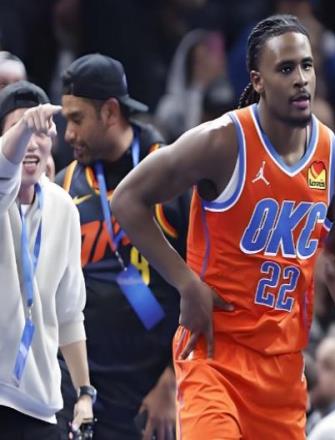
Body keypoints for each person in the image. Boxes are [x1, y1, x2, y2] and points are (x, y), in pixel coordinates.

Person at [112, 14, 335, 439]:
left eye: (307, 66)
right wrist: (186, 283)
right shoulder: (222, 142)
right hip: (215, 354)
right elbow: (127, 199)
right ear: (258, 80)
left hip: (284, 369)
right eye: (285, 68)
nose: (301, 79)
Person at [55, 54, 190, 439]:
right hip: (79, 390)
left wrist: (172, 378)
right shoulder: (63, 186)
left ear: (110, 112)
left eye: (77, 119)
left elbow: (206, 284)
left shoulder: (171, 177)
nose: (68, 134)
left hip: (151, 395)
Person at [0, 81, 93, 438]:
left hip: (39, 405)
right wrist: (26, 126)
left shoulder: (63, 208)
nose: (31, 143)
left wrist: (84, 393)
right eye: (20, 130)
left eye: (40, 132)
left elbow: (69, 314)